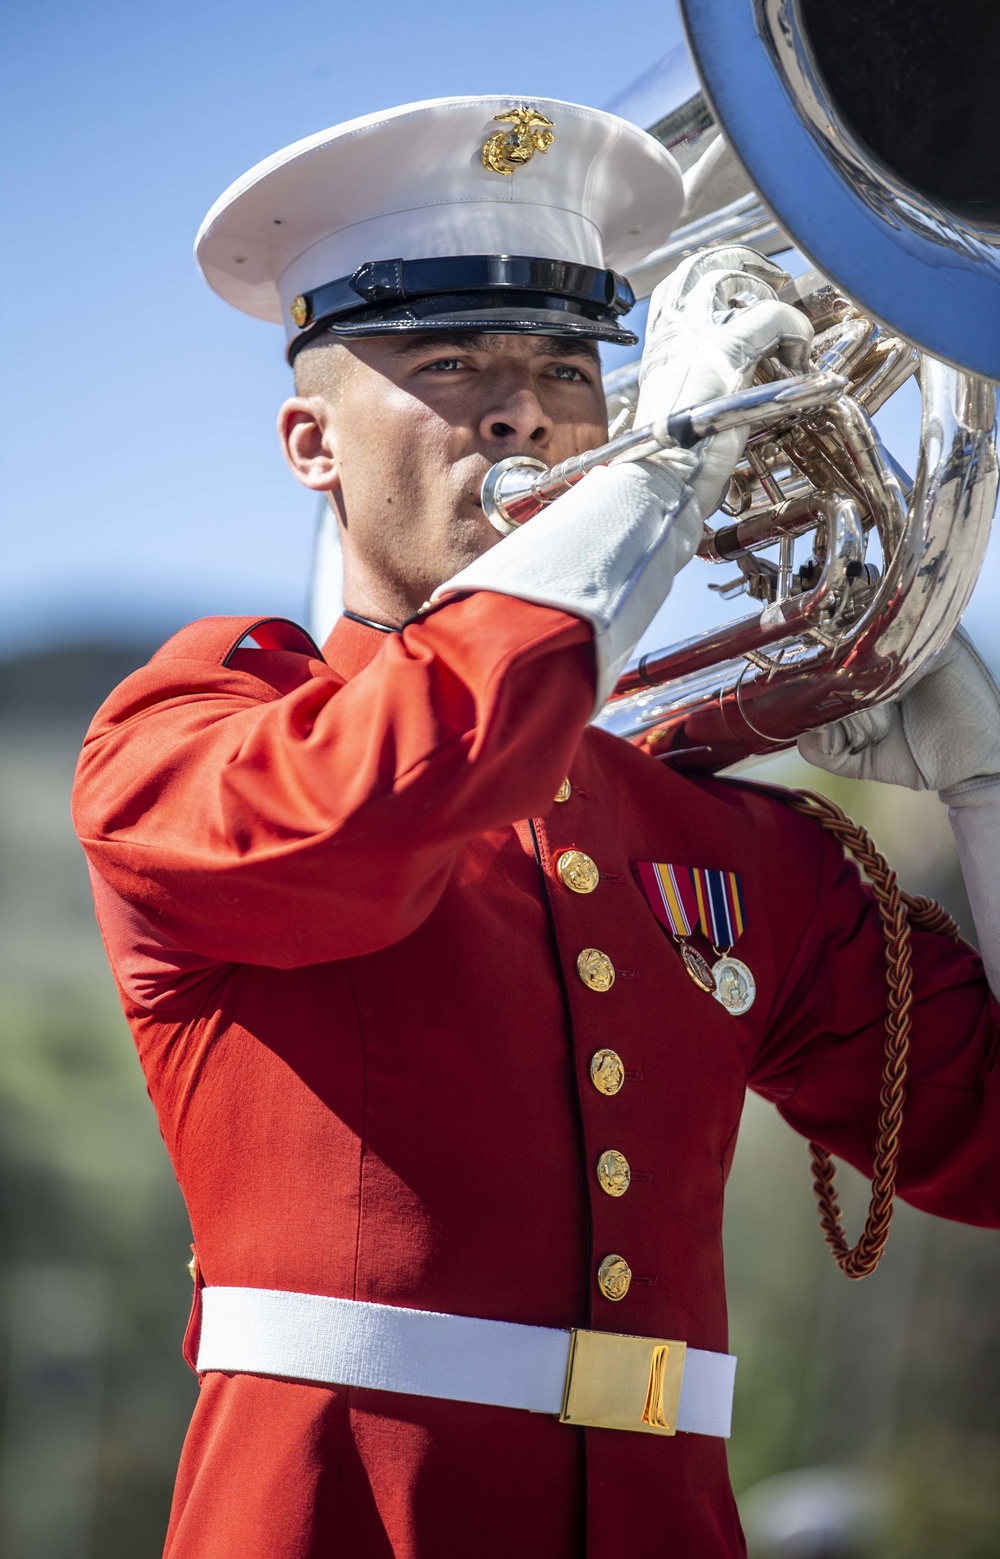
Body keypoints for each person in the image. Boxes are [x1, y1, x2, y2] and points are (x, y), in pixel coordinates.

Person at [72, 95, 1000, 1559]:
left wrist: (987, 787)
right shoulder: (195, 730)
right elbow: (388, 802)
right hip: (343, 1516)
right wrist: (660, 471)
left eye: (571, 369)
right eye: (450, 365)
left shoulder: (728, 845)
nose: (524, 411)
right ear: (310, 444)